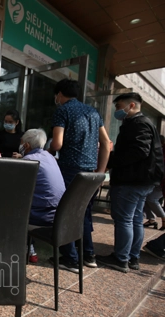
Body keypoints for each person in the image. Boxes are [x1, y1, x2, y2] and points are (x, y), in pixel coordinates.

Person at [48, 79, 110, 273]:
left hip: (69, 170)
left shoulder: (62, 110)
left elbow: (57, 144)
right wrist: (100, 172)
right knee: (84, 213)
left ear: (59, 94)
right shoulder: (92, 112)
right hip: (90, 171)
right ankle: (88, 255)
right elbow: (107, 143)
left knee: (65, 211)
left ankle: (70, 258)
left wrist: (47, 152)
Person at [97, 93, 164, 273]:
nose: (117, 111)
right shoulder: (142, 123)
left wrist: (111, 161)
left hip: (132, 180)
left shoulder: (139, 124)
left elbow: (139, 151)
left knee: (125, 219)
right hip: (142, 181)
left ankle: (121, 258)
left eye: (119, 106)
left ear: (131, 105)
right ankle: (132, 257)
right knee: (135, 219)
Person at [21, 129, 66, 263]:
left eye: (22, 142)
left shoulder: (28, 161)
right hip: (59, 215)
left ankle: (15, 251)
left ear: (27, 145)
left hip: (42, 217)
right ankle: (30, 249)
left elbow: (18, 189)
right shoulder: (49, 156)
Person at [143, 134, 165, 230]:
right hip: (155, 181)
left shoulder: (161, 152)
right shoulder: (157, 151)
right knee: (145, 197)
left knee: (151, 198)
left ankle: (163, 218)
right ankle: (151, 219)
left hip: (162, 182)